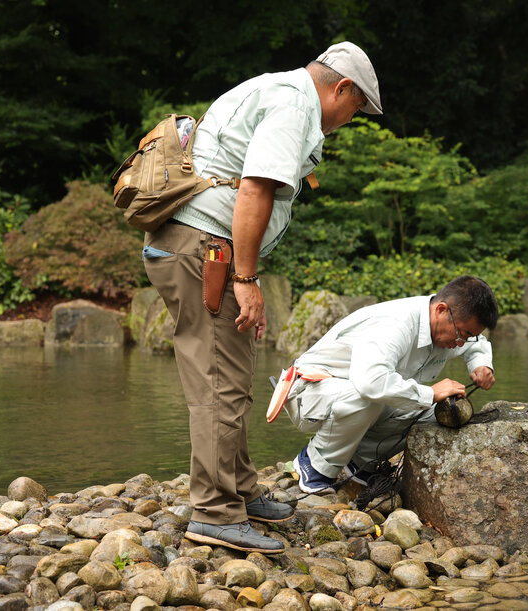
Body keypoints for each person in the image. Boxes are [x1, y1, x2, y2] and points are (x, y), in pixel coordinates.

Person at [141, 42, 382, 553]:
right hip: (205, 250)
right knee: (217, 384)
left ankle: (240, 492)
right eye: (355, 108)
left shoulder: (274, 87)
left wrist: (246, 274)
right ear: (340, 88)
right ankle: (214, 511)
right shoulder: (296, 105)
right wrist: (246, 279)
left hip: (202, 246)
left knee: (233, 375)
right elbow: (255, 188)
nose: (348, 120)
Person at [269, 276, 498, 493]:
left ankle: (359, 463)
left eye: (468, 337)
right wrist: (430, 392)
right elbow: (370, 383)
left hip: (353, 395)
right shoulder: (395, 323)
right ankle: (315, 464)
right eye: (462, 333)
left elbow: (476, 344)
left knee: (439, 410)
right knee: (372, 396)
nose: (461, 342)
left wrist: (481, 366)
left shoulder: (446, 326)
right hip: (309, 392)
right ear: (441, 310)